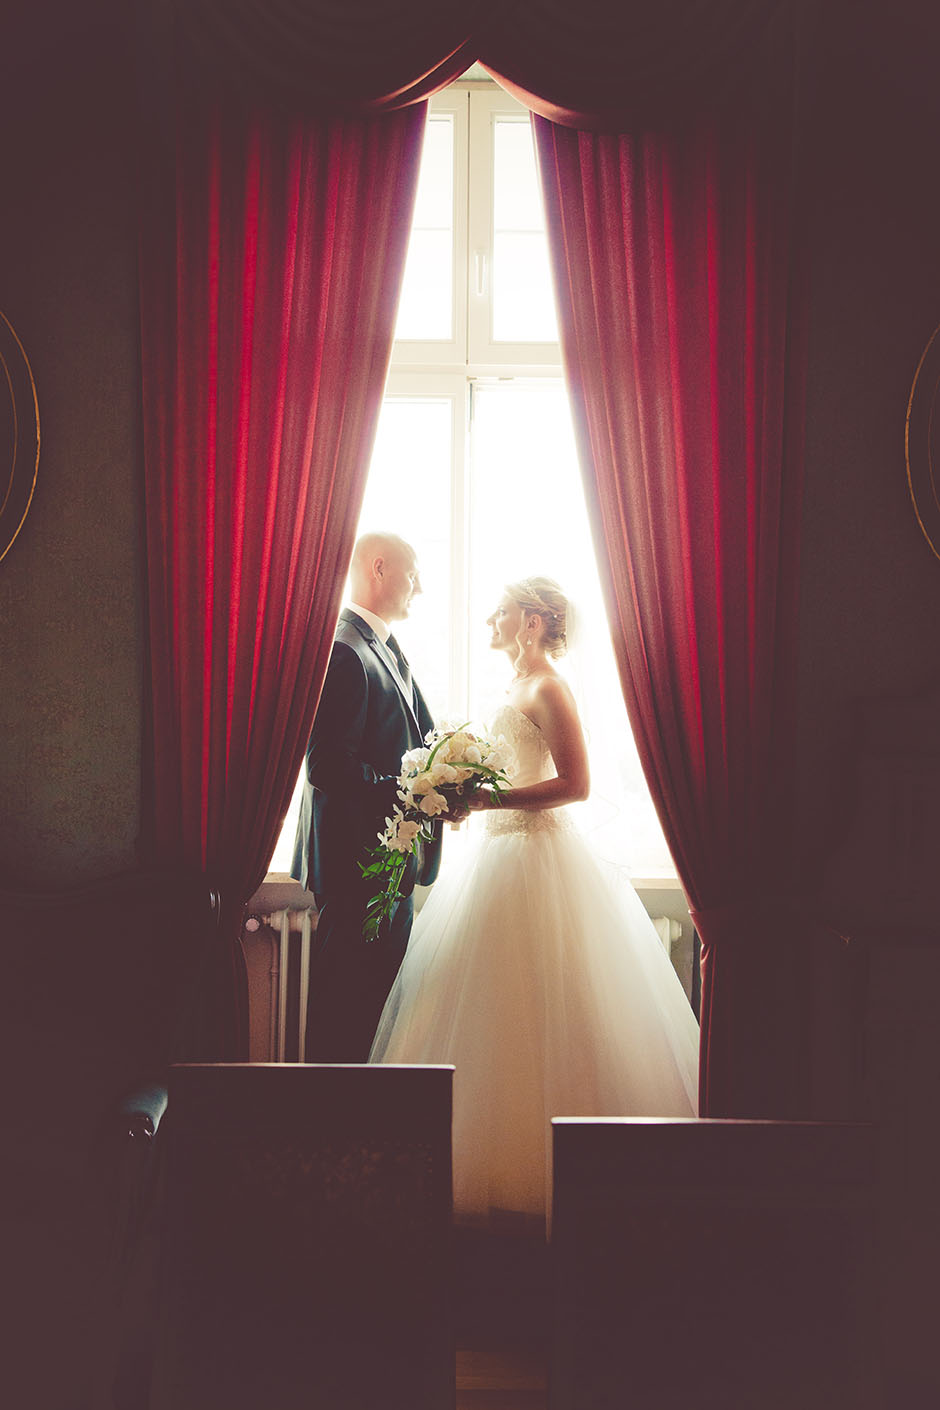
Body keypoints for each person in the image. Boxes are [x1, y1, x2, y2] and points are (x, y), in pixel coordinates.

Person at [370, 576, 699, 1221]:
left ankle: (574, 1185)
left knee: (552, 1008)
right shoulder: (514, 688)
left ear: (532, 622)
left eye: (502, 611)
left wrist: (492, 798)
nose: (490, 618)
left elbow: (576, 784)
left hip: (539, 858)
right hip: (494, 857)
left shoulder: (549, 687)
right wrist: (459, 793)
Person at [291, 532, 443, 1062]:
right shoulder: (345, 649)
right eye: (412, 572)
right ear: (378, 568)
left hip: (385, 869)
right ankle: (331, 1142)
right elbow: (327, 767)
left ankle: (362, 1139)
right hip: (359, 876)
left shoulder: (378, 645)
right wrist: (413, 796)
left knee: (371, 1024)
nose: (420, 587)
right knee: (345, 1027)